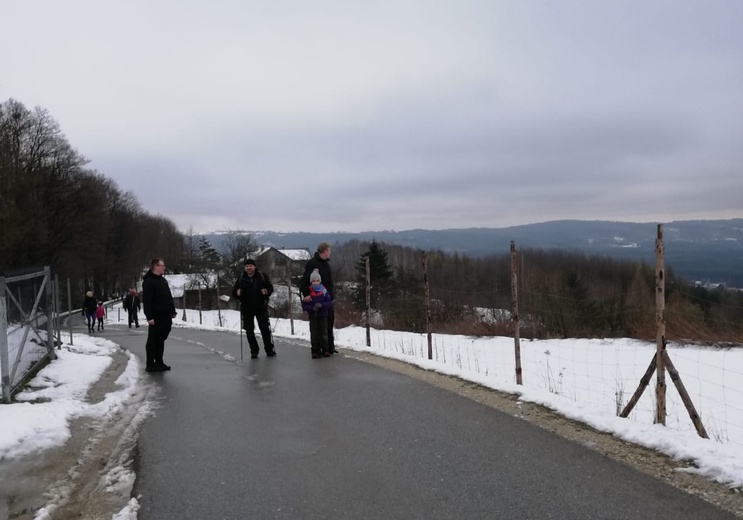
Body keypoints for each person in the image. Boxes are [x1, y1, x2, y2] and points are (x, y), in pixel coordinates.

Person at [231, 259, 276, 359]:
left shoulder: (261, 276)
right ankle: (254, 351)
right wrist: (237, 293)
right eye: (247, 266)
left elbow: (270, 288)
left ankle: (269, 349)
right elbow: (234, 292)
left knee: (264, 329)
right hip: (246, 307)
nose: (249, 268)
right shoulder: (241, 278)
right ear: (244, 268)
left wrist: (267, 291)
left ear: (254, 267)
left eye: (250, 266)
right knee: (249, 330)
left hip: (260, 306)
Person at [142, 258, 177, 372]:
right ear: (156, 266)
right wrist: (149, 317)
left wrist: (172, 311)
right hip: (156, 316)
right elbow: (147, 301)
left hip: (165, 315)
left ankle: (159, 362)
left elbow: (167, 297)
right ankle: (150, 364)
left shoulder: (162, 280)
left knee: (161, 339)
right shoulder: (149, 281)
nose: (164, 268)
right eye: (162, 265)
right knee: (153, 340)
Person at [301, 242, 336, 354]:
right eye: (329, 251)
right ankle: (319, 348)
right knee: (319, 325)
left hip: (327, 298)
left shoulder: (326, 264)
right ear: (324, 251)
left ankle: (330, 347)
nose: (330, 253)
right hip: (316, 299)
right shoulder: (312, 264)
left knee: (329, 322)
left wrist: (332, 296)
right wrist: (306, 294)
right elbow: (304, 281)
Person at [302, 270, 333, 358]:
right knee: (314, 334)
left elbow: (329, 303)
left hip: (323, 314)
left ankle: (325, 350)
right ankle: (315, 350)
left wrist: (322, 305)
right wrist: (311, 308)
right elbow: (304, 305)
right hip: (313, 315)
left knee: (324, 333)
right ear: (311, 282)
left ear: (320, 281)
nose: (315, 283)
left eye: (317, 281)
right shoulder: (309, 291)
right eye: (313, 281)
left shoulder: (324, 291)